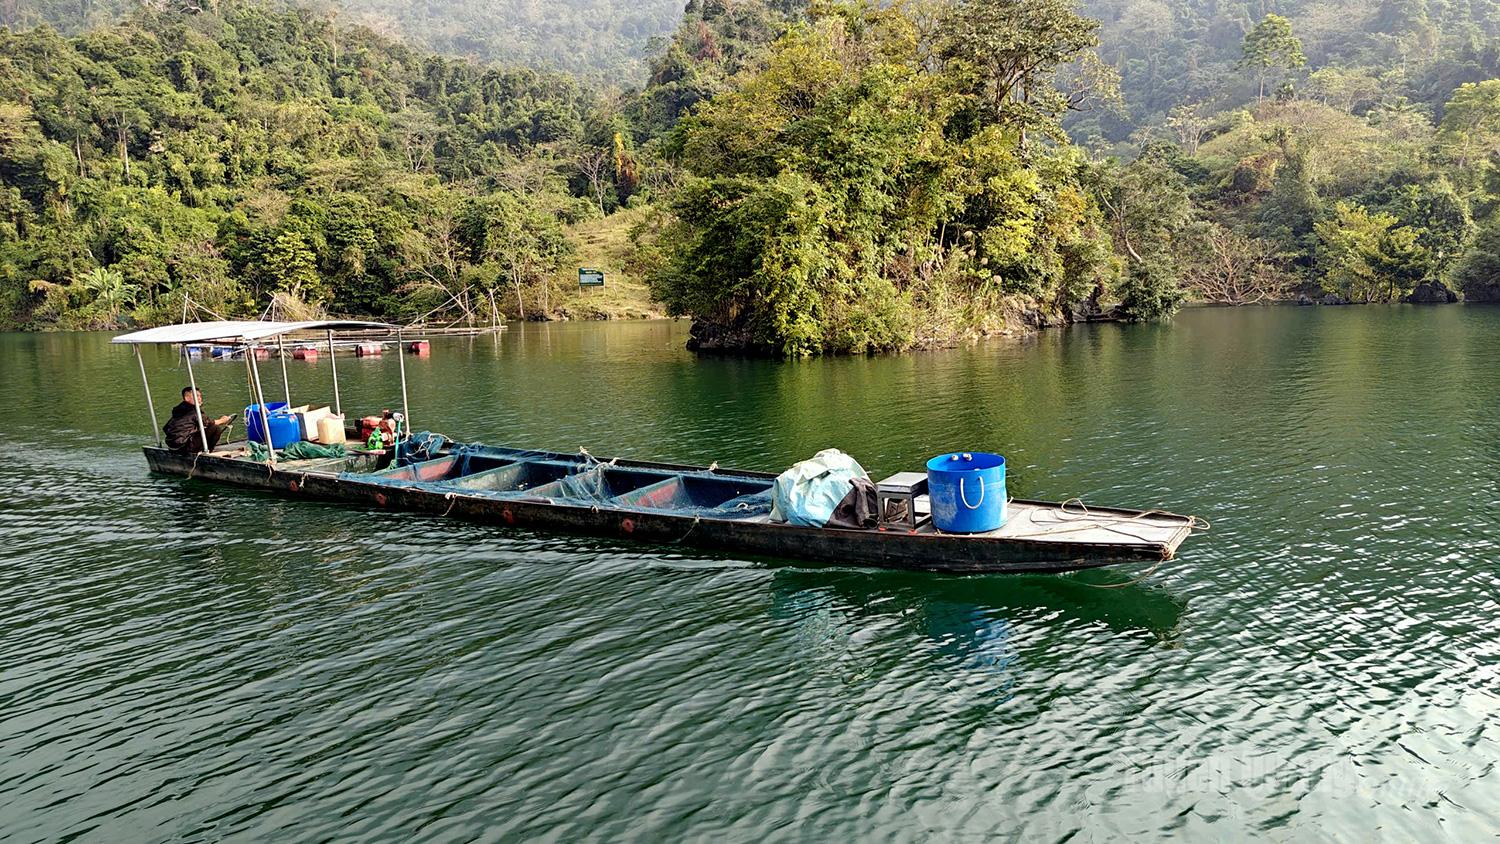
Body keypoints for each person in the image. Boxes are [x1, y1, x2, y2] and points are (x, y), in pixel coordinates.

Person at [164, 387, 232, 454]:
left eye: (200, 396)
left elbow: (166, 428)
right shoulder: (194, 411)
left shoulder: (178, 411)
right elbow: (208, 423)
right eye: (196, 396)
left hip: (172, 447)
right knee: (215, 428)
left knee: (203, 429)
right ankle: (208, 451)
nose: (199, 398)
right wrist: (222, 420)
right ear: (187, 398)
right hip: (184, 446)